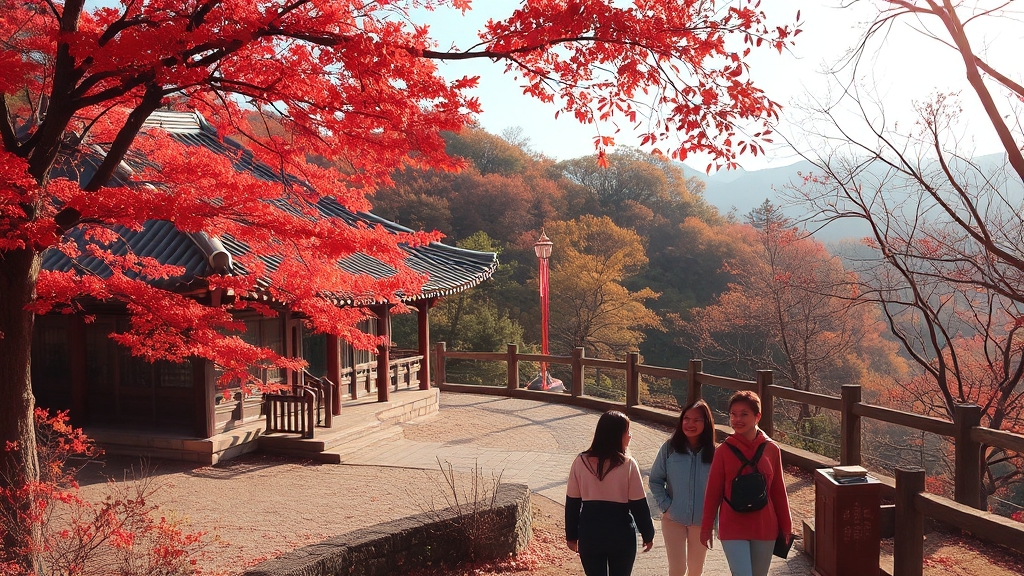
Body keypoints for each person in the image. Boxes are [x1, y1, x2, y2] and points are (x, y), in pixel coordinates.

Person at [699, 391, 792, 576]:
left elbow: (778, 491)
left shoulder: (771, 449)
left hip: (764, 525)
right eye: (733, 414)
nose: (737, 419)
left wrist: (787, 526)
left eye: (744, 414)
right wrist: (706, 527)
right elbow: (713, 492)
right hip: (732, 524)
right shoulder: (723, 451)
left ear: (757, 416)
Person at [566, 410, 656, 576]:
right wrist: (647, 533)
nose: (630, 436)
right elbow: (639, 505)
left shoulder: (580, 462)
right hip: (621, 534)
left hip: (590, 532)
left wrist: (571, 535)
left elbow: (572, 503)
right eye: (627, 432)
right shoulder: (628, 464)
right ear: (617, 435)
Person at [649, 399, 716, 576]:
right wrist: (666, 505)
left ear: (706, 423)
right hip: (673, 520)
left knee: (695, 571)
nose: (690, 424)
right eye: (686, 418)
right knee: (677, 570)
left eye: (696, 420)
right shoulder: (669, 448)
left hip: (702, 523)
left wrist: (713, 518)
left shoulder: (716, 453)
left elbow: (722, 489)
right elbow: (655, 480)